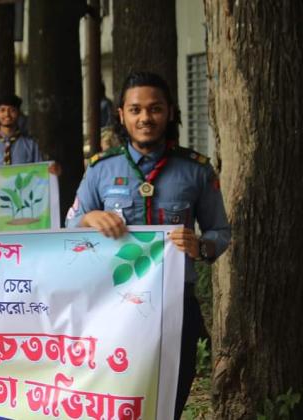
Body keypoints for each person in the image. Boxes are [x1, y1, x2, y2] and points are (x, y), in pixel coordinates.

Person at [65, 71, 230, 419]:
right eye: (136, 109)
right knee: (116, 397)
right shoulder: (100, 169)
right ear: (121, 114)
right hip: (113, 306)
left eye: (155, 109)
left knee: (171, 396)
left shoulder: (196, 170)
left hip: (176, 305)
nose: (145, 118)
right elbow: (69, 225)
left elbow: (220, 232)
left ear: (169, 112)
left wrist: (199, 246)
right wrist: (89, 218)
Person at [0, 95, 40, 167]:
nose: (7, 114)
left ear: (18, 113)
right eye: (2, 110)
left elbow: (41, 171)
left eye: (12, 110)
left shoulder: (31, 144)